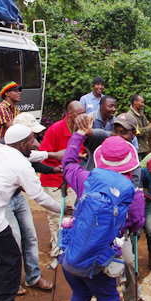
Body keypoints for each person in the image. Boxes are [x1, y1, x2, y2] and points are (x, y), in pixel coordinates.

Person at [62, 121, 143, 301]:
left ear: (99, 158)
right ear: (130, 163)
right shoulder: (133, 194)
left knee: (80, 295)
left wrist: (78, 135)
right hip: (100, 263)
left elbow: (68, 163)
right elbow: (135, 224)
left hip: (71, 255)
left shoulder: (86, 179)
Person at [0, 125, 62, 301]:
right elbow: (39, 196)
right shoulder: (21, 165)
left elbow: (33, 156)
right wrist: (62, 209)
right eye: (33, 140)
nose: (35, 143)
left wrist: (52, 155)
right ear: (23, 144)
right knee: (11, 261)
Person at [39, 101, 85, 260]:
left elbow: (82, 150)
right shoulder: (55, 129)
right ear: (70, 114)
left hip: (70, 179)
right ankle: (58, 249)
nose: (83, 116)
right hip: (52, 178)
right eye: (80, 114)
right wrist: (59, 157)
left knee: (68, 215)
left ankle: (61, 243)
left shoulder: (82, 129)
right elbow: (42, 154)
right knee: (56, 215)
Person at [126, 94, 151, 160]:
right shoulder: (130, 116)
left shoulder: (141, 114)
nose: (143, 104)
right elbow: (136, 132)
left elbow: (148, 125)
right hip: (137, 149)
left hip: (143, 148)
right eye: (141, 102)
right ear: (135, 102)